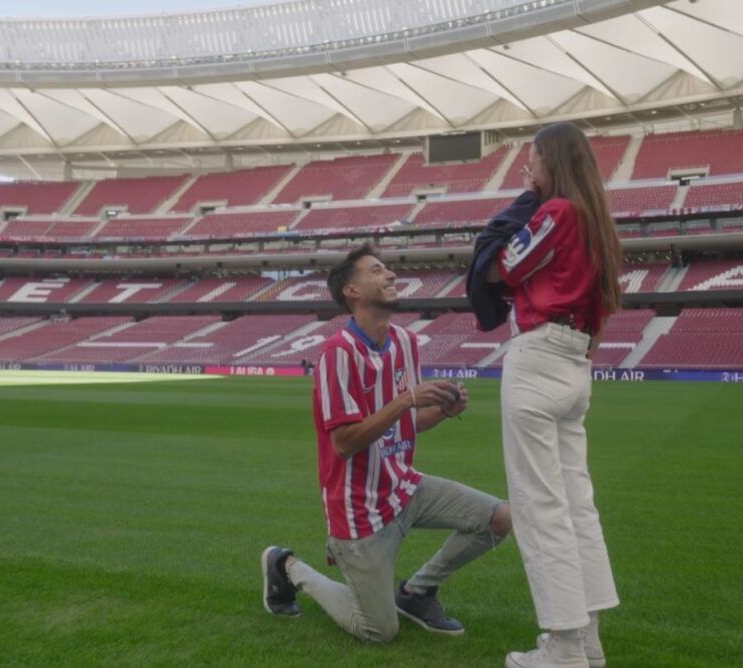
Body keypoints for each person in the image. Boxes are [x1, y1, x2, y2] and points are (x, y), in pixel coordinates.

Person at [261, 244, 512, 644]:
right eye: (377, 271)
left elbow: (405, 425)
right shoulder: (337, 354)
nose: (391, 275)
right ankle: (288, 567)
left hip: (404, 487)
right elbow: (344, 443)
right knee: (378, 630)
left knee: (499, 518)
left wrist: (444, 411)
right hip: (359, 509)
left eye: (388, 269)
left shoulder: (406, 342)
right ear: (352, 292)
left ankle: (416, 591)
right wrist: (406, 400)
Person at [487, 123, 623, 668]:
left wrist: (527, 199)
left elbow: (506, 267)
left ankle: (564, 647)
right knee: (576, 505)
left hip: (539, 354)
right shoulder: (598, 222)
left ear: (552, 161)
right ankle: (587, 640)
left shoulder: (559, 212)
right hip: (576, 360)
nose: (530, 170)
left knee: (540, 506)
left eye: (533, 161)